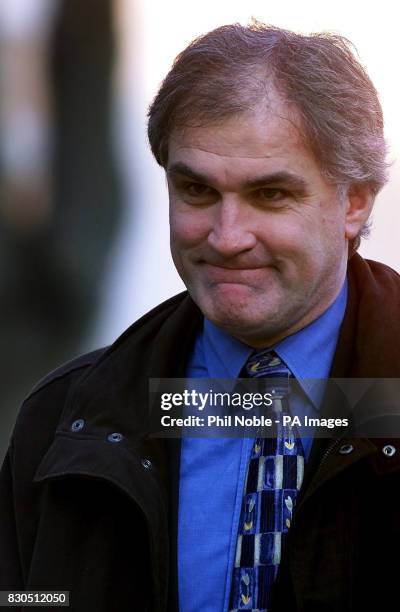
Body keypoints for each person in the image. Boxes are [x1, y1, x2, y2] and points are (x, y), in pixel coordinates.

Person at [1, 21, 399, 612]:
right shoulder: (62, 420)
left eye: (270, 194)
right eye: (197, 190)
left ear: (356, 201)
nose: (226, 236)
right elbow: (29, 599)